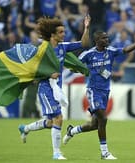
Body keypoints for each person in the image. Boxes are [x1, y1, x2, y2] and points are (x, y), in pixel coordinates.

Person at [62, 31, 135, 160]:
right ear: (97, 40)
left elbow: (125, 50)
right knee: (103, 118)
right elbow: (75, 64)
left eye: (107, 37)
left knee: (94, 125)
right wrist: (79, 69)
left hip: (105, 92)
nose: (107, 40)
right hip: (93, 90)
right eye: (104, 38)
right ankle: (104, 152)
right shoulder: (89, 54)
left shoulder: (111, 51)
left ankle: (72, 131)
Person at [18, 15, 90, 160]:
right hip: (45, 89)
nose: (64, 34)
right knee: (58, 118)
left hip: (56, 89)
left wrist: (86, 27)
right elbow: (32, 70)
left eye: (64, 31)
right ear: (53, 35)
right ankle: (56, 152)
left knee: (51, 123)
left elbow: (83, 43)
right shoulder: (42, 50)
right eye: (61, 32)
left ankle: (25, 129)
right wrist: (49, 74)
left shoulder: (63, 47)